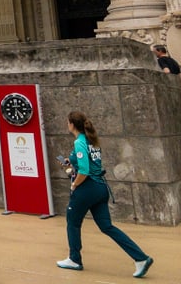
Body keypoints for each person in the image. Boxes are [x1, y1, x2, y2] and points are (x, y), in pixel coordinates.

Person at [56, 111, 154, 277]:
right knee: (107, 226)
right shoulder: (92, 140)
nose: (67, 125)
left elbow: (85, 171)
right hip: (100, 188)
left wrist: (74, 184)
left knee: (72, 222)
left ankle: (74, 259)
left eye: (68, 122)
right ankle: (141, 258)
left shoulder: (79, 142)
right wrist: (69, 161)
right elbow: (89, 163)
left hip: (86, 189)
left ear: (72, 124)